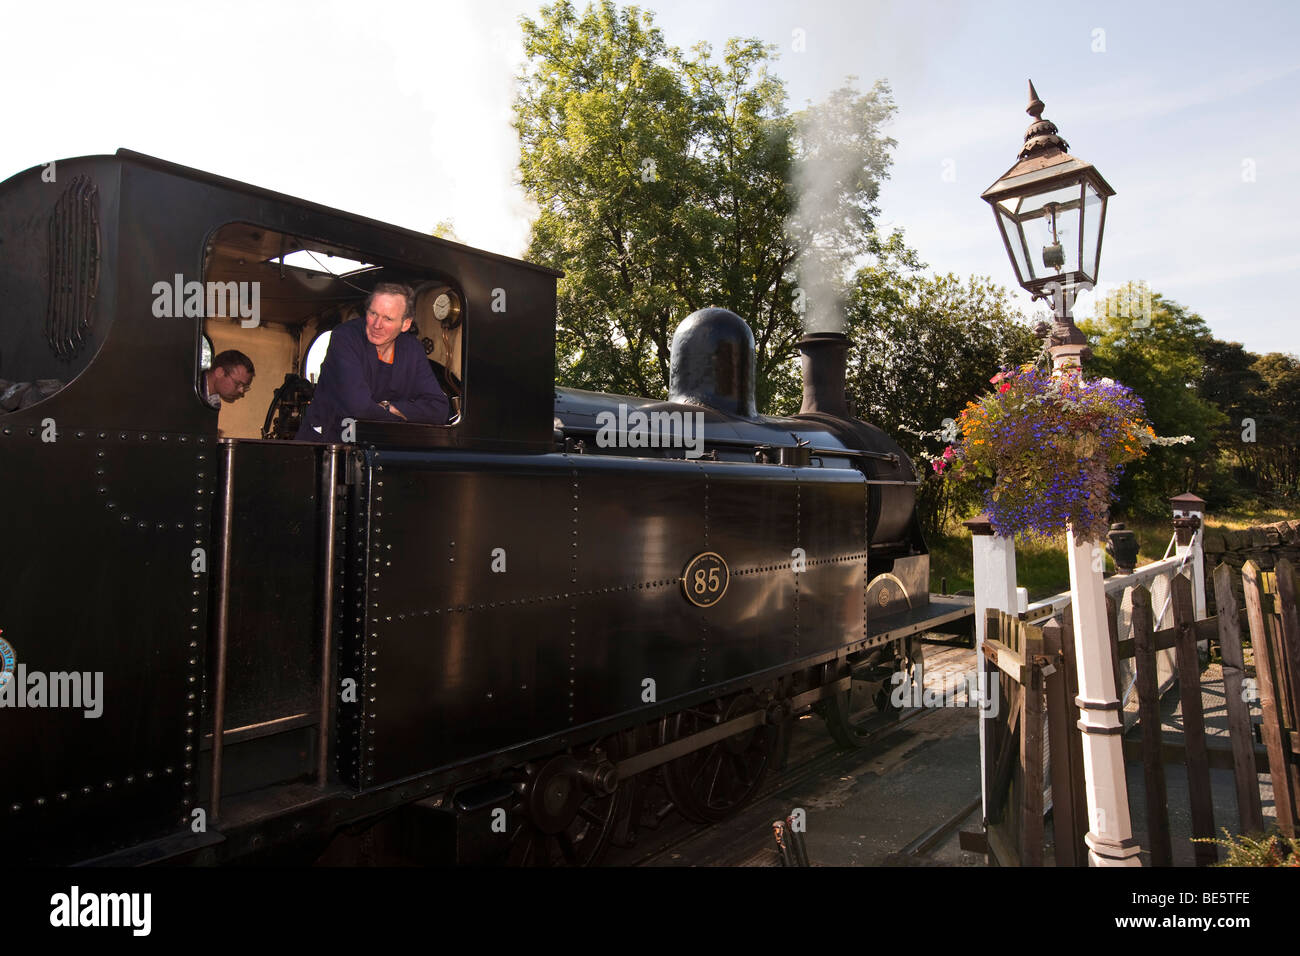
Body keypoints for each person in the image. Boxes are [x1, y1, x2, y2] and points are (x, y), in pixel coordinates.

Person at [295, 282, 448, 441]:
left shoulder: (412, 349)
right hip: (325, 445)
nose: (377, 325)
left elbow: (440, 409)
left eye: (388, 318)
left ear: (405, 324)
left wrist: (390, 407)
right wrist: (404, 420)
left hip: (376, 446)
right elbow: (359, 408)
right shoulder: (345, 337)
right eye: (373, 313)